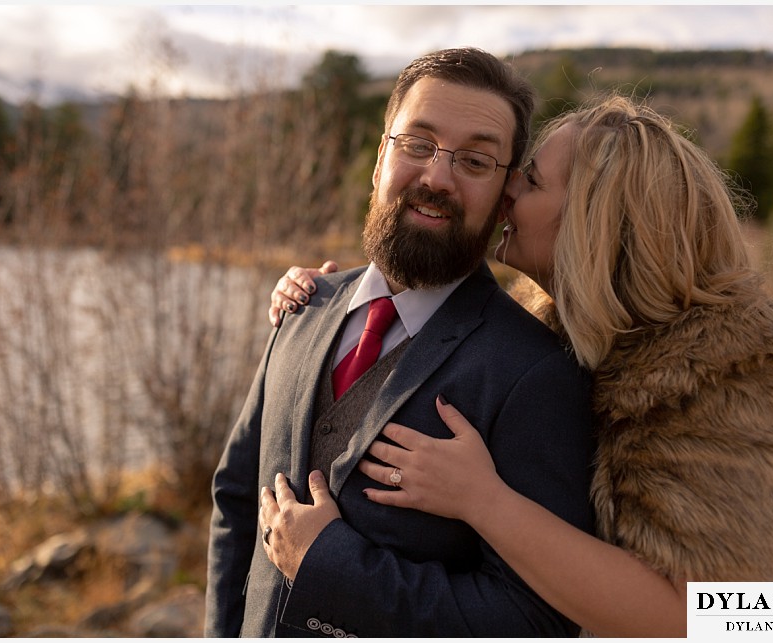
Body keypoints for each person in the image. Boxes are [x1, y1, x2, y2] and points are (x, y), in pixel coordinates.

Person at [267, 94, 773, 637]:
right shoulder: (555, 330)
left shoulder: (727, 380)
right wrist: (332, 301)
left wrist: (484, 500)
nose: (509, 187)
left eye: (534, 178)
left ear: (594, 225)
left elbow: (699, 619)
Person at [206, 47, 597, 638]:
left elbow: (534, 619)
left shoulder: (535, 373)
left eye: (475, 160)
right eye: (417, 144)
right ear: (380, 157)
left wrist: (336, 566)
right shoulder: (303, 308)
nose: (437, 177)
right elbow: (237, 499)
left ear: (505, 195)